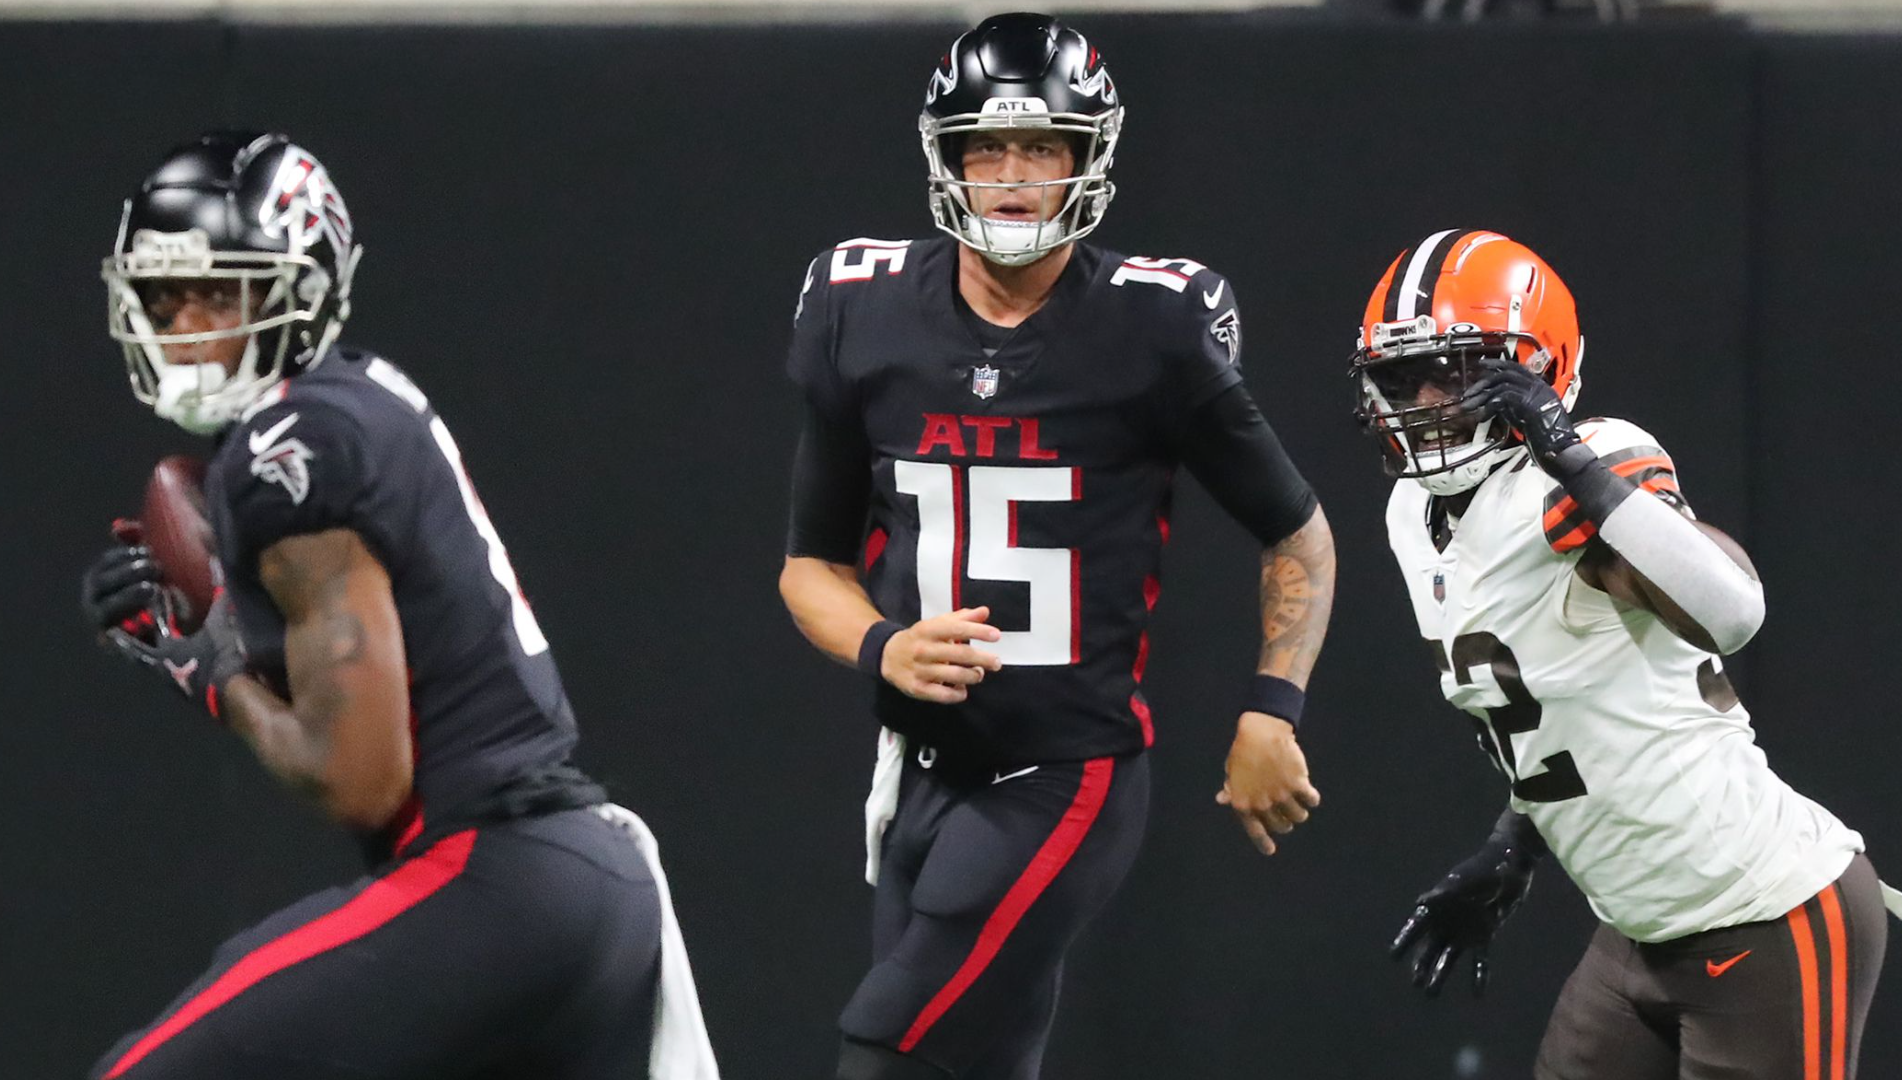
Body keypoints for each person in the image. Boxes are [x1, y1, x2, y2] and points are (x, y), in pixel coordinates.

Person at [79, 131, 716, 1080]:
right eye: (167, 298)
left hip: (499, 880)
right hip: (579, 891)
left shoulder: (287, 446)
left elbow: (361, 776)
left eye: (221, 292)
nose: (187, 327)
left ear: (300, 289)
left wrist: (207, 669)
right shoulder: (358, 396)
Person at [777, 15, 1335, 1080]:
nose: (1015, 176)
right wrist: (880, 647)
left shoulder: (1153, 327)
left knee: (883, 1046)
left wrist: (1275, 707)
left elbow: (1295, 529)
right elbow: (811, 565)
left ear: (1089, 158)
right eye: (988, 148)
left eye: (1045, 148)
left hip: (1062, 777)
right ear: (948, 160)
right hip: (918, 773)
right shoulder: (863, 311)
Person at [1355, 228, 1887, 1078]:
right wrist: (1515, 842)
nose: (1421, 399)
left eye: (1455, 373)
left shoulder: (1577, 474)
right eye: (1398, 377)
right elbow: (1568, 697)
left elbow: (1733, 610)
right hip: (1636, 929)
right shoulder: (1409, 515)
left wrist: (1569, 457)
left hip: (1768, 913)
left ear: (1536, 371)